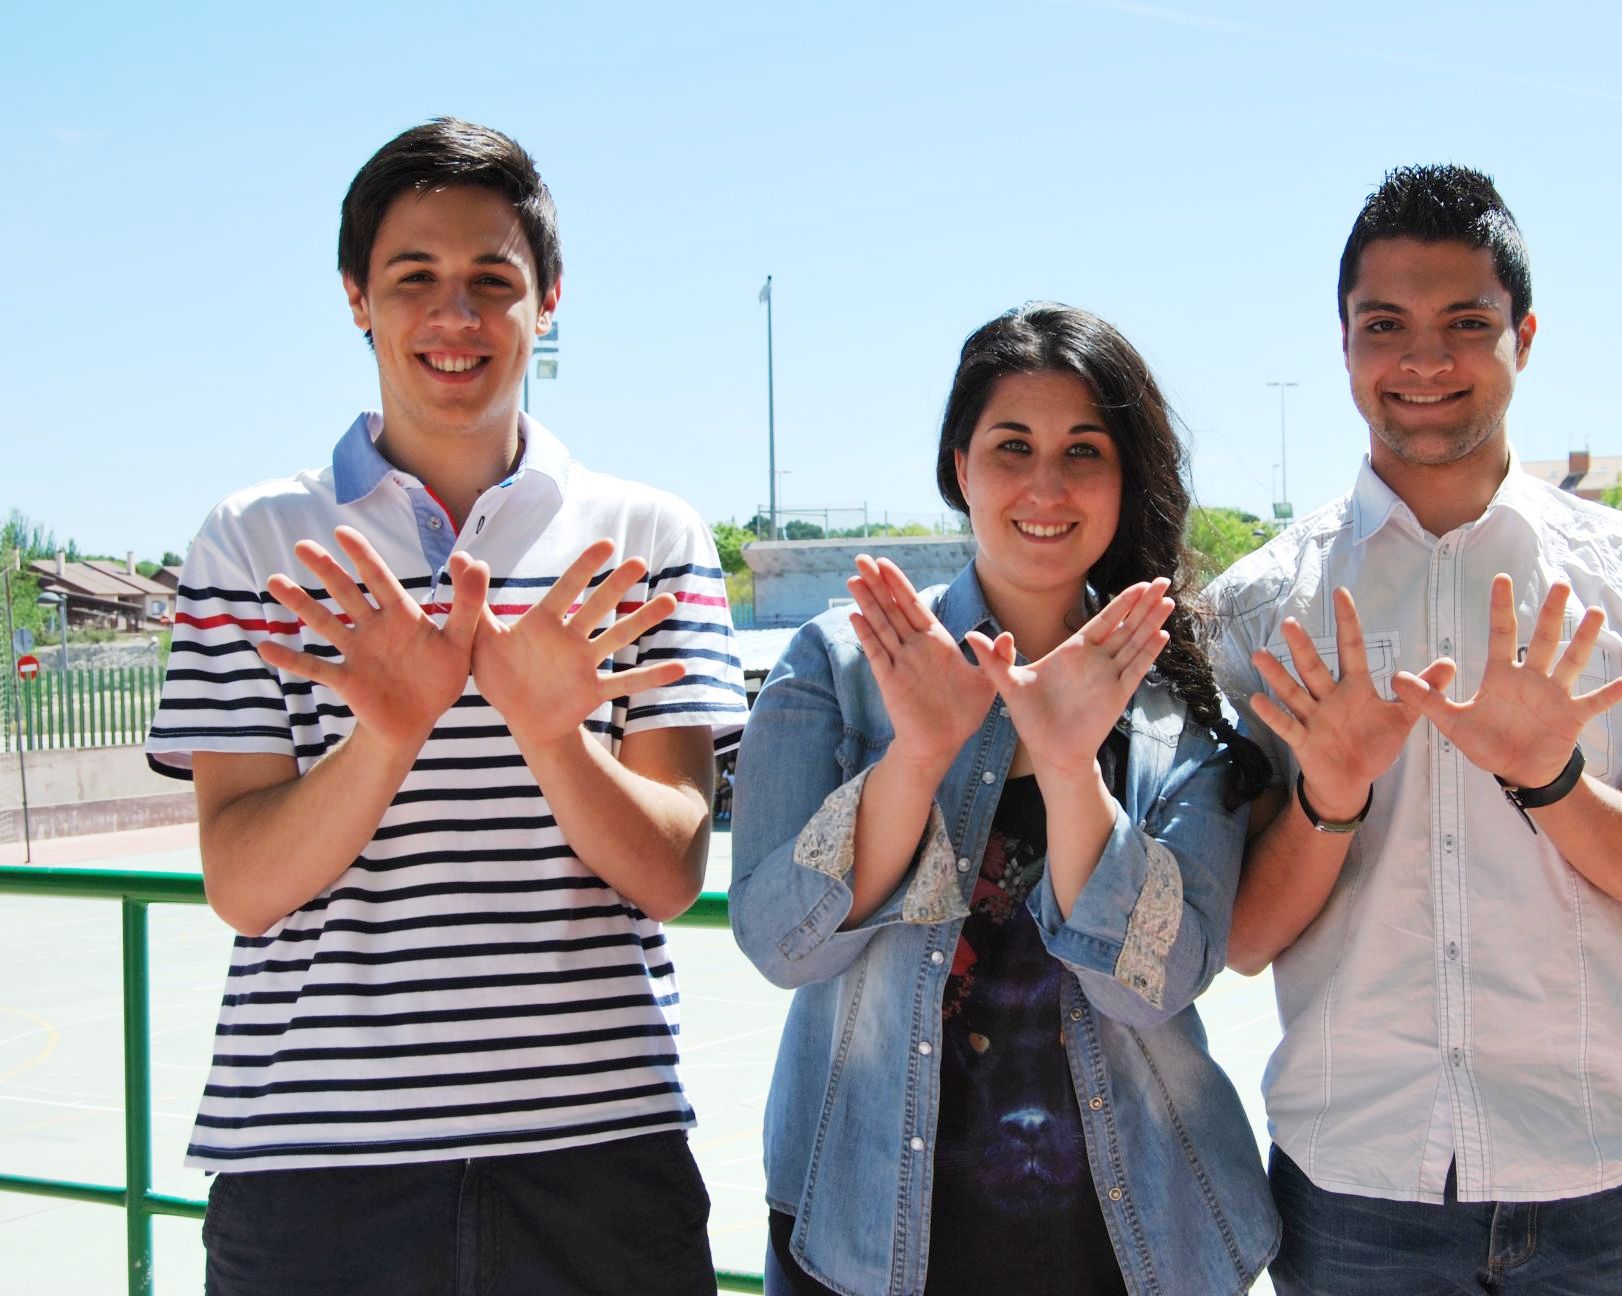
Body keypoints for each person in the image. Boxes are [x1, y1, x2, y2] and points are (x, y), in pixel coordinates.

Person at [145, 119, 745, 1295]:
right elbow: (244, 884)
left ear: (549, 301)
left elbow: (668, 873)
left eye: (493, 281)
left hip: (600, 1153)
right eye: (413, 277)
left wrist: (546, 733)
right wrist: (389, 730)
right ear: (356, 300)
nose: (455, 316)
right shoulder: (253, 541)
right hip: (313, 1165)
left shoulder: (648, 538)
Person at [1208, 164, 1622, 1294]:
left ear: (1525, 335)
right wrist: (1329, 798)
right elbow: (1245, 938)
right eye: (1385, 325)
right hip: (1356, 1190)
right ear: (1344, 341)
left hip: (1611, 1187)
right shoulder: (1260, 611)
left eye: (1466, 323)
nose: (1423, 360)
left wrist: (1553, 781)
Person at [731, 303, 1278, 1296]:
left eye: (1084, 451)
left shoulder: (1176, 700)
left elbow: (1150, 984)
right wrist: (920, 754)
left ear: (1124, 479)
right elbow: (780, 943)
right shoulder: (839, 666)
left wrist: (1070, 768)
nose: (1044, 484)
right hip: (865, 1238)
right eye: (1011, 445)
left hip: (1133, 1242)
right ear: (958, 466)